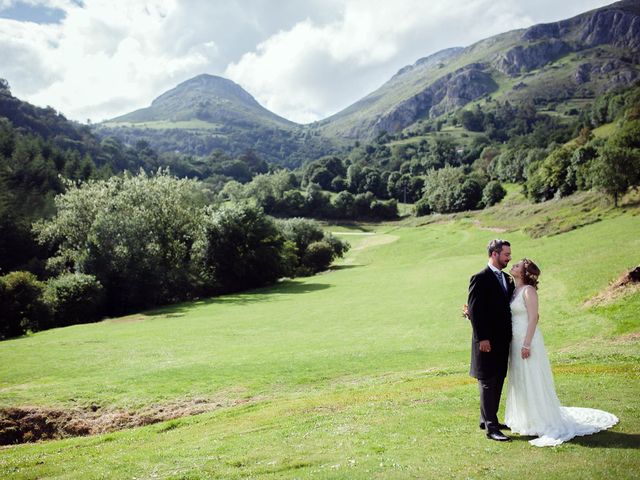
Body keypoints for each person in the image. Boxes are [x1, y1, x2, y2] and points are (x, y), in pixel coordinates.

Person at [505, 258, 618, 447]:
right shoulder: (514, 290)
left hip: (527, 340)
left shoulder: (528, 291)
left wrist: (527, 344)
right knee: (520, 379)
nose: (513, 266)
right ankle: (526, 420)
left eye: (517, 265)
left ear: (524, 273)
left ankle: (541, 420)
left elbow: (534, 318)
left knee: (532, 378)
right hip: (514, 341)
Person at [467, 239, 514, 442]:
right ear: (494, 254)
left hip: (503, 341)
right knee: (488, 381)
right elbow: (475, 311)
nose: (509, 258)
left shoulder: (507, 278)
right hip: (486, 342)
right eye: (506, 254)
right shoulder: (479, 278)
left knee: (498, 379)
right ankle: (492, 428)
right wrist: (482, 338)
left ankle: (485, 418)